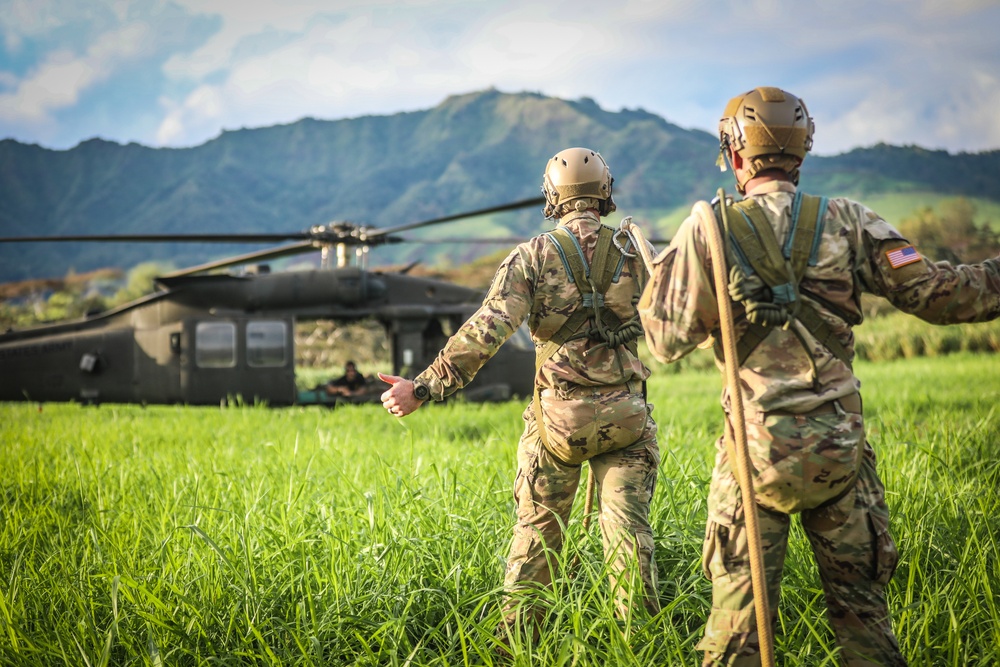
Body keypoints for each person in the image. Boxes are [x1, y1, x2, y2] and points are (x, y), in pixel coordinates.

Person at [638, 86, 1000, 666]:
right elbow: (943, 295)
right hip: (841, 455)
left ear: (734, 154)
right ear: (803, 151)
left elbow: (662, 341)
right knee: (867, 630)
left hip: (752, 459)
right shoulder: (850, 221)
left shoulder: (705, 229)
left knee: (736, 640)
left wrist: (684, 286)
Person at [380, 147, 661, 631]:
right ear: (605, 193)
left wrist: (423, 388)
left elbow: (484, 333)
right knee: (629, 539)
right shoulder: (637, 253)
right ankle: (641, 646)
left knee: (537, 537)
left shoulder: (533, 255)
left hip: (557, 426)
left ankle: (518, 646)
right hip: (627, 422)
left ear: (552, 195)